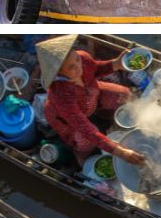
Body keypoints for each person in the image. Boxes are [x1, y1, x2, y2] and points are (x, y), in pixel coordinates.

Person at [36, 35, 145, 167]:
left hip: (92, 94)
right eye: (71, 67)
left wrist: (116, 63)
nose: (79, 66)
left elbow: (95, 69)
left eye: (77, 59)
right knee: (85, 141)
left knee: (124, 94)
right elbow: (87, 130)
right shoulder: (61, 95)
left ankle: (104, 115)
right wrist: (121, 152)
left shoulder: (83, 58)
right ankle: (82, 157)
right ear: (59, 73)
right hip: (68, 119)